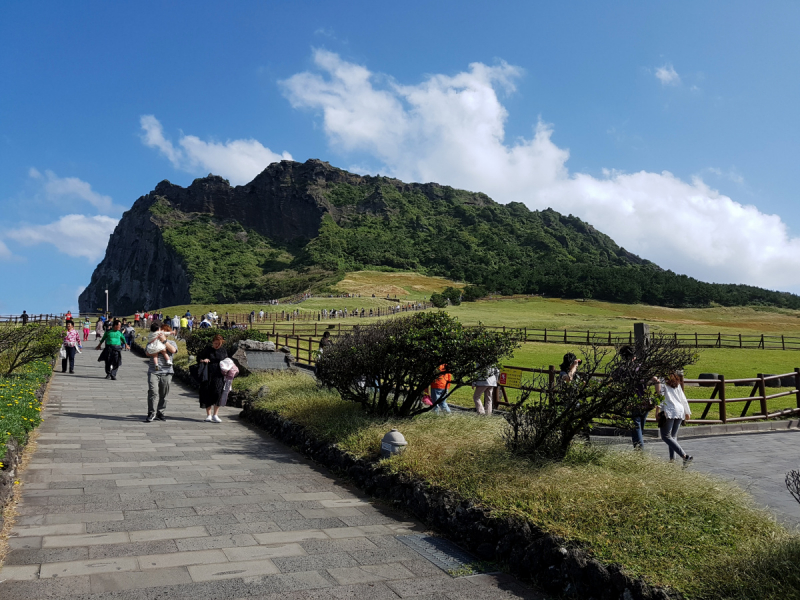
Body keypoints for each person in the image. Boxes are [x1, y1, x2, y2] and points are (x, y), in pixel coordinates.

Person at [619, 345, 660, 450]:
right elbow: (656, 380)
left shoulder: (622, 369)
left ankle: (639, 452)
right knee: (640, 429)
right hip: (645, 402)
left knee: (636, 429)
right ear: (634, 356)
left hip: (632, 402)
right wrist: (657, 396)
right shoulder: (641, 367)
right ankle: (639, 451)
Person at [658, 371, 693, 465]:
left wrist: (657, 411)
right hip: (679, 410)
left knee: (666, 436)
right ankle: (672, 460)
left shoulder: (662, 382)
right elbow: (683, 398)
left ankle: (685, 456)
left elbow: (660, 397)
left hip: (669, 411)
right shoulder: (676, 384)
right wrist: (687, 412)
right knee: (673, 437)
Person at [145, 322, 177, 422]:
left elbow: (173, 350)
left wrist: (164, 341)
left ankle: (161, 412)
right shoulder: (151, 342)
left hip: (167, 371)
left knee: (164, 393)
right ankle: (151, 412)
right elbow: (147, 352)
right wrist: (157, 348)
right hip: (153, 371)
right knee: (152, 391)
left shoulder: (171, 342)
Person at [197, 334, 228, 423]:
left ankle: (216, 414)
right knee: (206, 392)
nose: (217, 345)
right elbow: (199, 357)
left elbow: (227, 360)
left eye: (219, 343)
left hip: (219, 374)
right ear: (212, 342)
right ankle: (208, 414)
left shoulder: (223, 351)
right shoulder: (207, 350)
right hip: (207, 373)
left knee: (218, 393)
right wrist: (203, 360)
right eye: (215, 343)